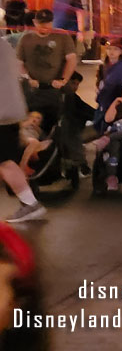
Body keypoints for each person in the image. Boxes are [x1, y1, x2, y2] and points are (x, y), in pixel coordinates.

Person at [0, 39, 46, 222]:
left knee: (5, 162)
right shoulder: (4, 44)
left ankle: (30, 204)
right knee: (6, 161)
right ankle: (30, 203)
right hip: (10, 110)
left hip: (2, 114)